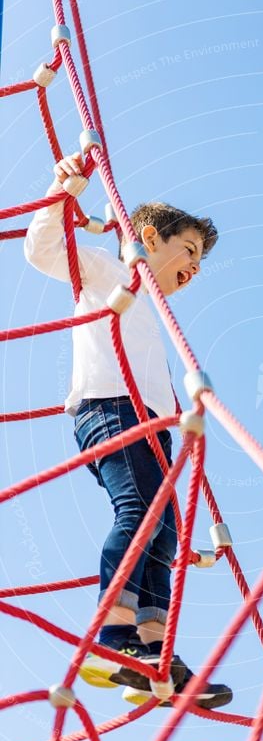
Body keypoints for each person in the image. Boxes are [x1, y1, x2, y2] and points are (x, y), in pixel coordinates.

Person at [24, 152, 232, 710]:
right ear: (147, 238)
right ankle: (111, 639)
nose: (194, 267)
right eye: (188, 250)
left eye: (200, 262)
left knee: (164, 536)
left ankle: (153, 652)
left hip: (150, 423)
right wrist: (61, 189)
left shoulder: (153, 316)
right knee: (139, 514)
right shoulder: (108, 271)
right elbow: (42, 250)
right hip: (111, 410)